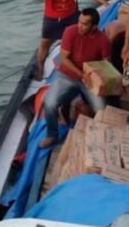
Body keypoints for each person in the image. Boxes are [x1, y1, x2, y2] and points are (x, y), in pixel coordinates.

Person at [38, 8, 110, 148]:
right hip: (68, 76)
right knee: (50, 102)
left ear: (94, 26)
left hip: (90, 80)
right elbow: (64, 59)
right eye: (79, 22)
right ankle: (51, 134)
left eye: (85, 24)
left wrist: (98, 80)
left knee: (101, 109)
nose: (80, 26)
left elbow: (106, 64)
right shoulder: (70, 31)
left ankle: (96, 136)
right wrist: (82, 75)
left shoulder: (103, 40)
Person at [34, 0, 109, 79]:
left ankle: (80, 62)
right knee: (45, 43)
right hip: (51, 18)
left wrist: (104, 3)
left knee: (81, 38)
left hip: (71, 16)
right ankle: (40, 67)